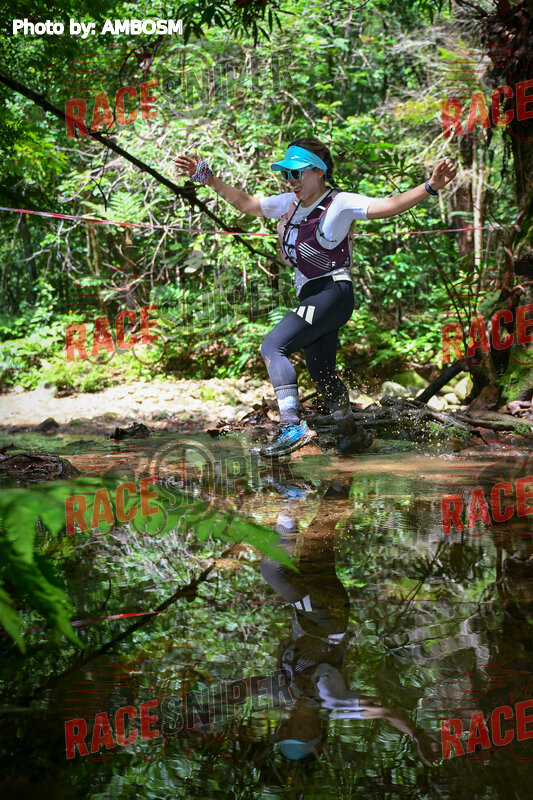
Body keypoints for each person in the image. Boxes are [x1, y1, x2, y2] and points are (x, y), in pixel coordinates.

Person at [174, 139, 456, 456]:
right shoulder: (289, 204)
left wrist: (431, 186)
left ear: (319, 171)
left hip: (332, 292)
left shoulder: (340, 203)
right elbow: (248, 204)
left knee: (272, 346)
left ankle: (291, 426)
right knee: (321, 370)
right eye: (286, 174)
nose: (290, 181)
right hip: (314, 297)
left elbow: (389, 205)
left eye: (296, 173)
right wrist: (208, 178)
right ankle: (350, 434)